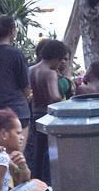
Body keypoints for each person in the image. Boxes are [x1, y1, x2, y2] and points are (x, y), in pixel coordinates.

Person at [26, 39, 69, 183]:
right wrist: (67, 104)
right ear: (57, 57)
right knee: (48, 153)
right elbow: (54, 96)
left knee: (37, 153)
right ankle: (47, 183)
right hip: (48, 115)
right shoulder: (49, 73)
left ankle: (34, 181)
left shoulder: (31, 69)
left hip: (34, 114)